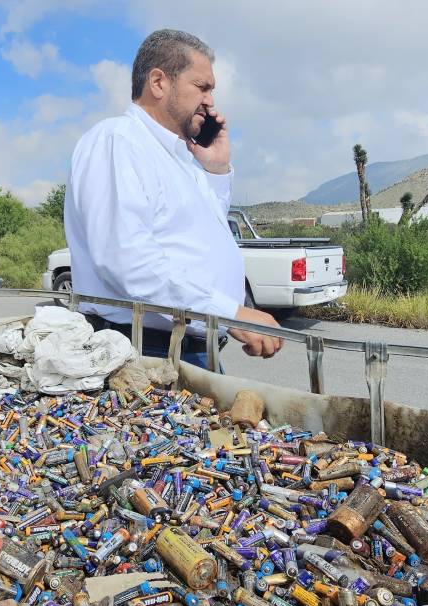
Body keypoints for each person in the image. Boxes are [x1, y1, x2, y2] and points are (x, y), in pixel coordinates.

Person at [63, 29, 282, 370]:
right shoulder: (119, 141)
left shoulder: (181, 156)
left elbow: (197, 238)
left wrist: (217, 170)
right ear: (159, 82)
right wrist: (231, 314)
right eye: (202, 87)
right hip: (145, 351)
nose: (210, 102)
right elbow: (129, 261)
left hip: (188, 347)